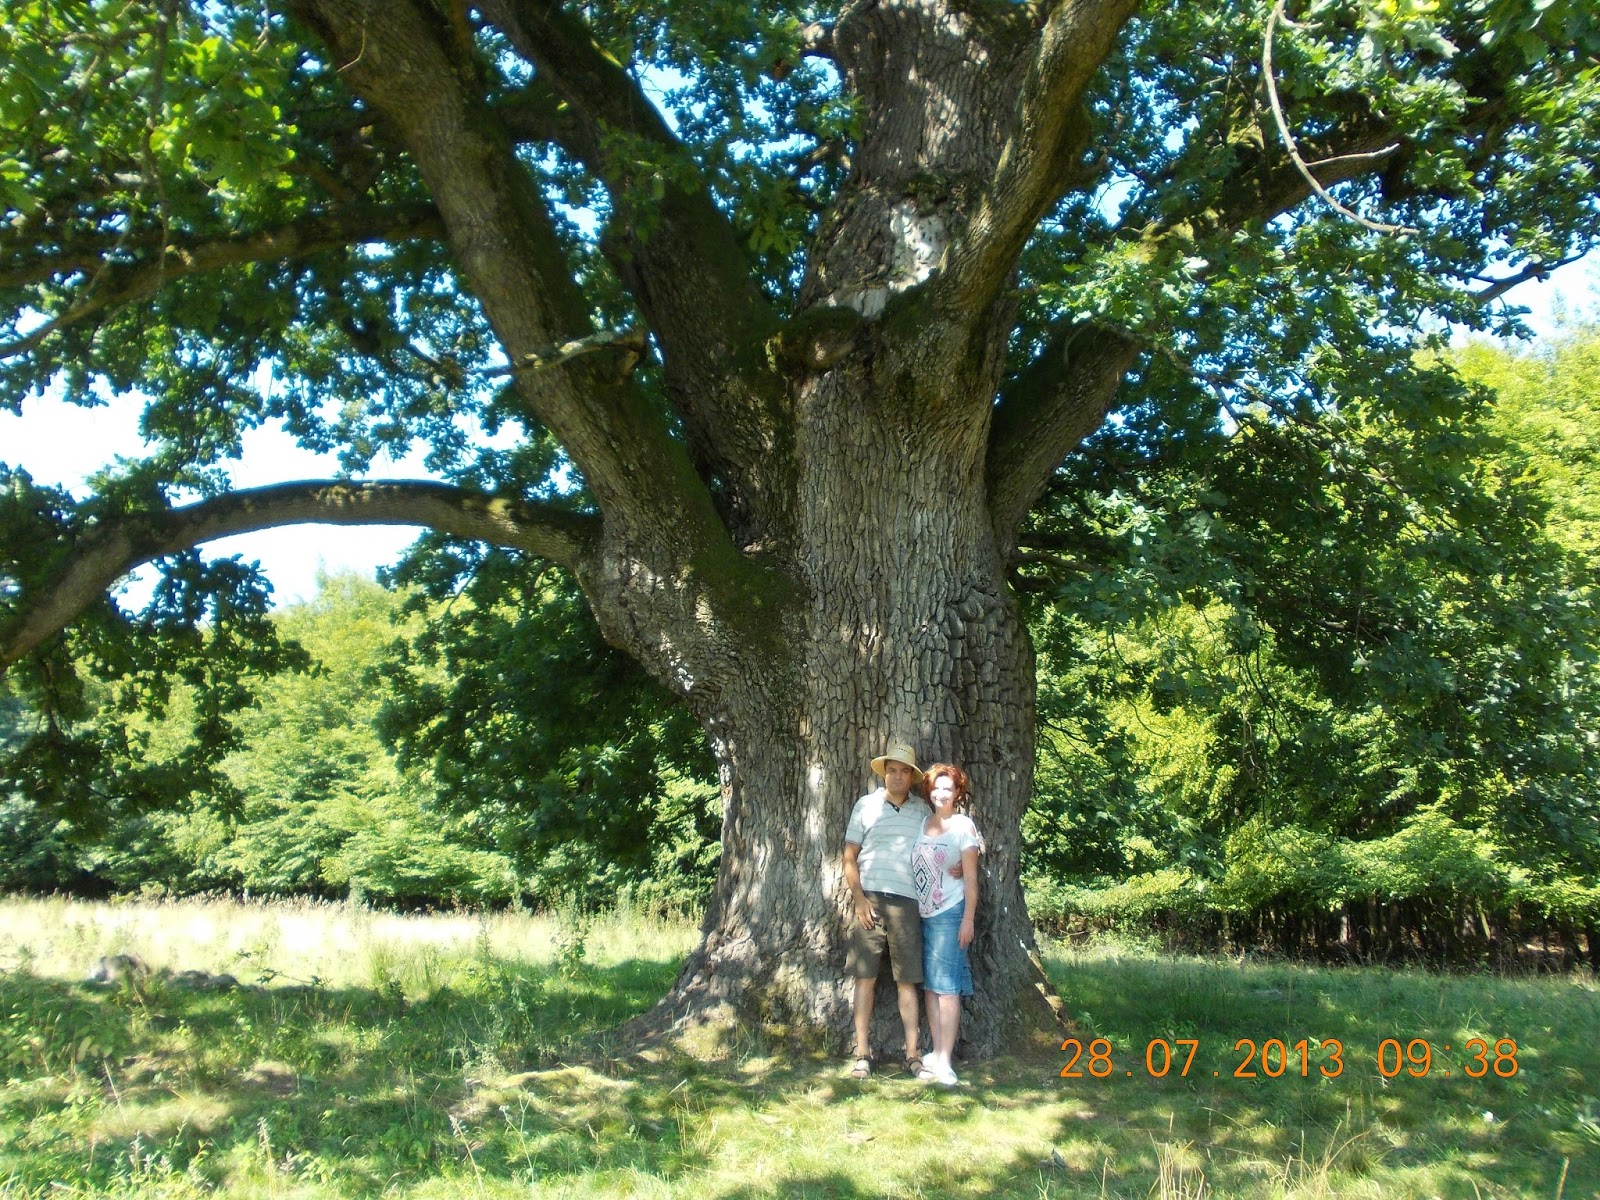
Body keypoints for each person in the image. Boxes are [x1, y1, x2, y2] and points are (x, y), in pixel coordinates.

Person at [843, 740, 932, 1079]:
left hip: (907, 903)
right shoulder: (865, 806)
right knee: (864, 977)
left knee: (907, 980)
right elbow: (849, 856)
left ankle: (912, 1054)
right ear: (884, 774)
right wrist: (859, 898)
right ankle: (862, 1053)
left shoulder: (922, 811)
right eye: (891, 770)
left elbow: (936, 849)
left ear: (911, 776)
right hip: (870, 902)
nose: (897, 776)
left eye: (904, 771)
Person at [911, 762, 982, 1086]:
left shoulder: (963, 826)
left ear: (957, 793)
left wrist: (968, 919)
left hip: (950, 912)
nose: (941, 793)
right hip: (921, 915)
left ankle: (945, 1060)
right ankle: (936, 1051)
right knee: (931, 986)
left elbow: (971, 879)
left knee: (947, 988)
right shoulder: (922, 822)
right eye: (936, 787)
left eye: (948, 788)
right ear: (929, 790)